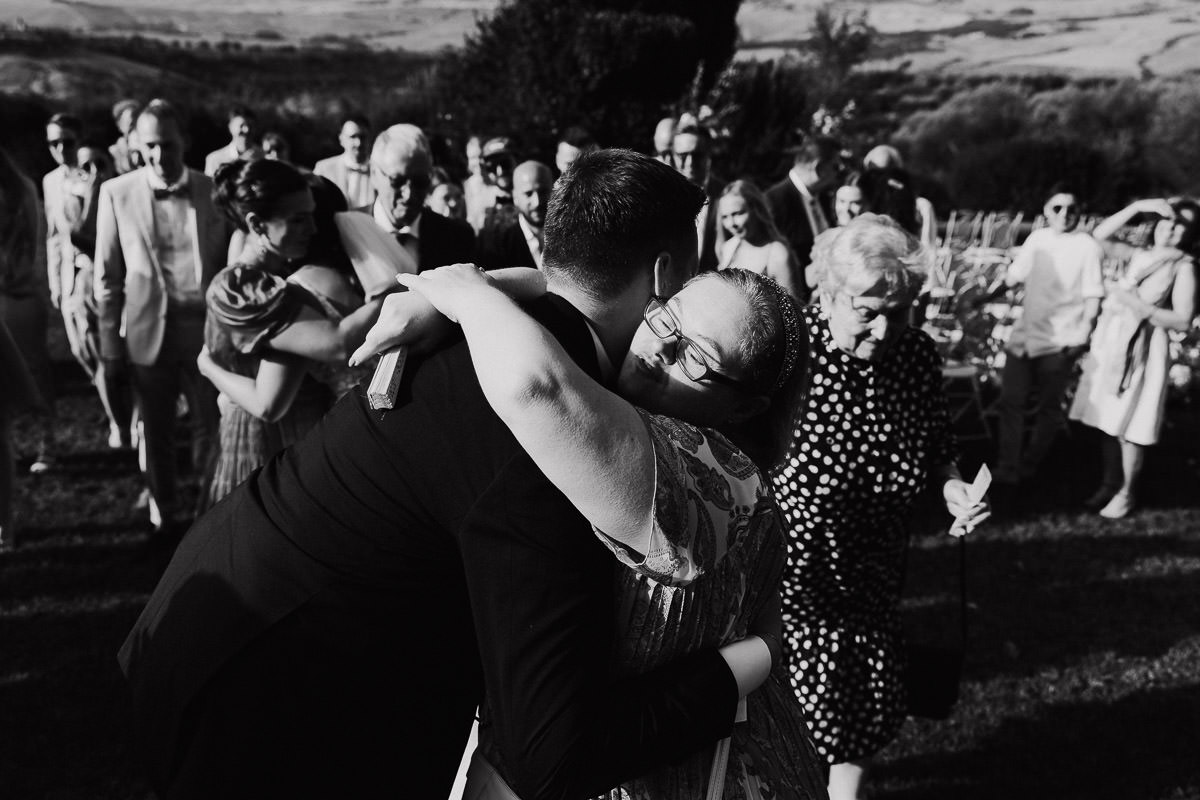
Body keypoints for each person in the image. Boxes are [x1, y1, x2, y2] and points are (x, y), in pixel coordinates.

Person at [118, 148, 753, 800]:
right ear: (665, 273)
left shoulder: (469, 320)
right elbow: (552, 750)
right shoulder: (552, 431)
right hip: (274, 710)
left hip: (210, 604)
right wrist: (744, 667)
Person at [374, 262, 829, 800]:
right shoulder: (616, 402)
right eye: (666, 320)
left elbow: (536, 384)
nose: (662, 349)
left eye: (699, 358)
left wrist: (470, 296)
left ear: (745, 406)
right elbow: (582, 278)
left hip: (652, 768)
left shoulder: (720, 476)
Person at [770, 214, 990, 800]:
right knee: (789, 726)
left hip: (875, 573)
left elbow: (940, 446)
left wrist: (953, 489)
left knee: (859, 714)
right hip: (793, 582)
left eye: (901, 310)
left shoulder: (915, 354)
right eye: (868, 309)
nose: (886, 327)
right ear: (829, 293)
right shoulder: (788, 353)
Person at [197, 160, 388, 509]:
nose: (313, 229)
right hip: (258, 437)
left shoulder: (281, 281)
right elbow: (335, 344)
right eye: (298, 220)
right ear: (256, 224)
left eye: (312, 216)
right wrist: (208, 368)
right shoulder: (240, 287)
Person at [94, 99, 231, 536]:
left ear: (184, 142)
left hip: (205, 327)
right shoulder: (117, 193)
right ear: (137, 145)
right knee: (157, 430)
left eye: (167, 145)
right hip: (146, 330)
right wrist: (111, 348)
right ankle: (164, 513)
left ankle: (210, 508)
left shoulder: (213, 190)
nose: (159, 155)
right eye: (150, 146)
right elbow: (107, 277)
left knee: (213, 424)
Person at [1069, 197, 1199, 519]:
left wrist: (1134, 304)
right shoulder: (1140, 254)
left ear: (1191, 233)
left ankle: (1127, 492)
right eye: (1167, 220)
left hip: (1143, 348)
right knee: (1108, 422)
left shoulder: (1184, 266)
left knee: (1130, 425)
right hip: (1114, 343)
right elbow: (1098, 236)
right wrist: (1138, 206)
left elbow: (1183, 319)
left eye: (1181, 224)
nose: (1170, 228)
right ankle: (1109, 482)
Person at [989, 187, 1104, 493]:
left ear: (1079, 213)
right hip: (1024, 338)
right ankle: (1008, 466)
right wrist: (982, 299)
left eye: (1071, 208)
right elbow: (1014, 276)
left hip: (1061, 341)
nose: (1064, 214)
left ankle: (1030, 463)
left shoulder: (1087, 246)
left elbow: (1094, 295)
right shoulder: (1037, 240)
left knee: (1049, 409)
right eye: (1057, 208)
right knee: (1010, 402)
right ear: (1045, 211)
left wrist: (1083, 337)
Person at [60, 141, 135, 450]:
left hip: (121, 285)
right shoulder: (74, 198)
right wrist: (93, 191)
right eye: (86, 166)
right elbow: (79, 236)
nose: (93, 172)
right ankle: (118, 421)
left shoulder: (120, 194)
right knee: (100, 360)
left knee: (125, 359)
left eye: (99, 164)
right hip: (87, 286)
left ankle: (132, 420)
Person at [0, 147, 50, 549]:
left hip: (12, 299)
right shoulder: (24, 187)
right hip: (17, 297)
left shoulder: (20, 190)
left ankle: (5, 525)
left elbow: (31, 249)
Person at [366, 123, 475, 271]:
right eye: (397, 181)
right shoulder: (346, 232)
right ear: (373, 174)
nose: (408, 194)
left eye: (420, 182)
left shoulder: (458, 238)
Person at [766, 131, 838, 303]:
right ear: (819, 168)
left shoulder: (824, 197)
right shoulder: (774, 201)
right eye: (835, 166)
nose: (838, 173)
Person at [716, 179, 801, 300]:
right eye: (725, 217)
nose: (731, 224)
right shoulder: (728, 248)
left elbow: (793, 311)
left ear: (756, 209)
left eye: (738, 214)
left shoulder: (778, 254)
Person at [475, 160, 552, 270]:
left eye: (543, 192)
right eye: (528, 194)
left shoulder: (572, 234)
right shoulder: (497, 243)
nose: (537, 202)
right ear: (515, 196)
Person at [671, 121, 723, 276]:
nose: (690, 163)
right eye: (682, 155)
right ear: (673, 156)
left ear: (709, 156)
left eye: (696, 155)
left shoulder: (726, 195)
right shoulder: (663, 198)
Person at [312, 113, 374, 209]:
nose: (358, 143)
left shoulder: (381, 169)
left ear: (370, 138)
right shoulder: (324, 169)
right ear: (341, 139)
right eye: (353, 137)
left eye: (362, 137)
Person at [203, 104, 262, 177]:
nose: (246, 130)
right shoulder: (215, 159)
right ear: (230, 127)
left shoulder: (265, 158)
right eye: (241, 126)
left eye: (250, 126)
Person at [109, 98, 144, 175]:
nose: (136, 130)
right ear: (119, 125)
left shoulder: (150, 148)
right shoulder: (113, 154)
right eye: (131, 125)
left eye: (139, 123)